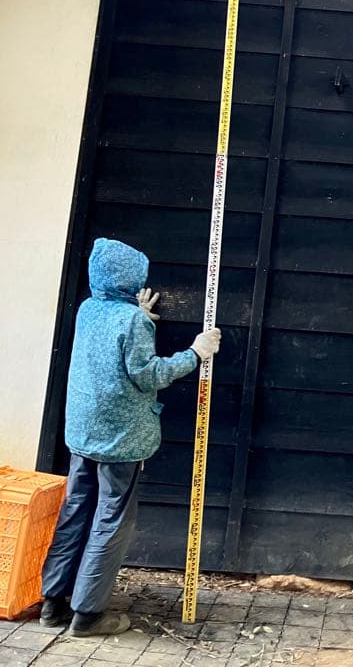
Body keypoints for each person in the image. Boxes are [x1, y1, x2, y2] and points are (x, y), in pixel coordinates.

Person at [39, 238, 221, 637]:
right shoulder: (133, 321)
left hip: (84, 432)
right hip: (119, 439)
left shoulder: (88, 309)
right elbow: (149, 375)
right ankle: (88, 615)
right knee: (110, 519)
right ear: (132, 279)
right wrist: (196, 352)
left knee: (75, 512)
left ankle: (52, 604)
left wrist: (137, 317)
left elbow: (111, 346)